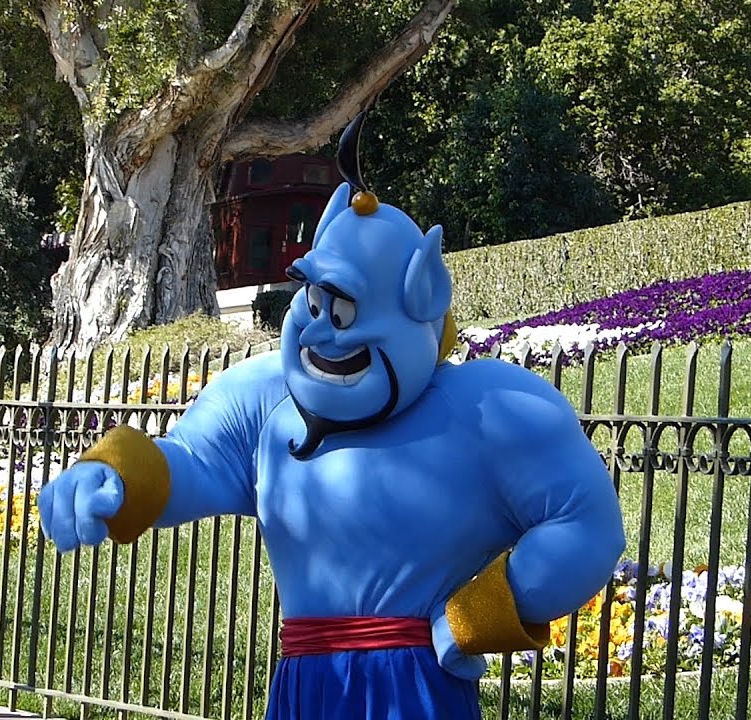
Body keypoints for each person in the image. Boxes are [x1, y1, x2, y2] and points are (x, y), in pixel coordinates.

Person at [37, 111, 626, 719]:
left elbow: (586, 523)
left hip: (415, 692)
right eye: (313, 302)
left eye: (343, 312)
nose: (318, 331)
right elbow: (188, 462)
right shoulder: (263, 397)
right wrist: (112, 472)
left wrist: (477, 617)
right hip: (306, 685)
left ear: (421, 298)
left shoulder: (489, 409)